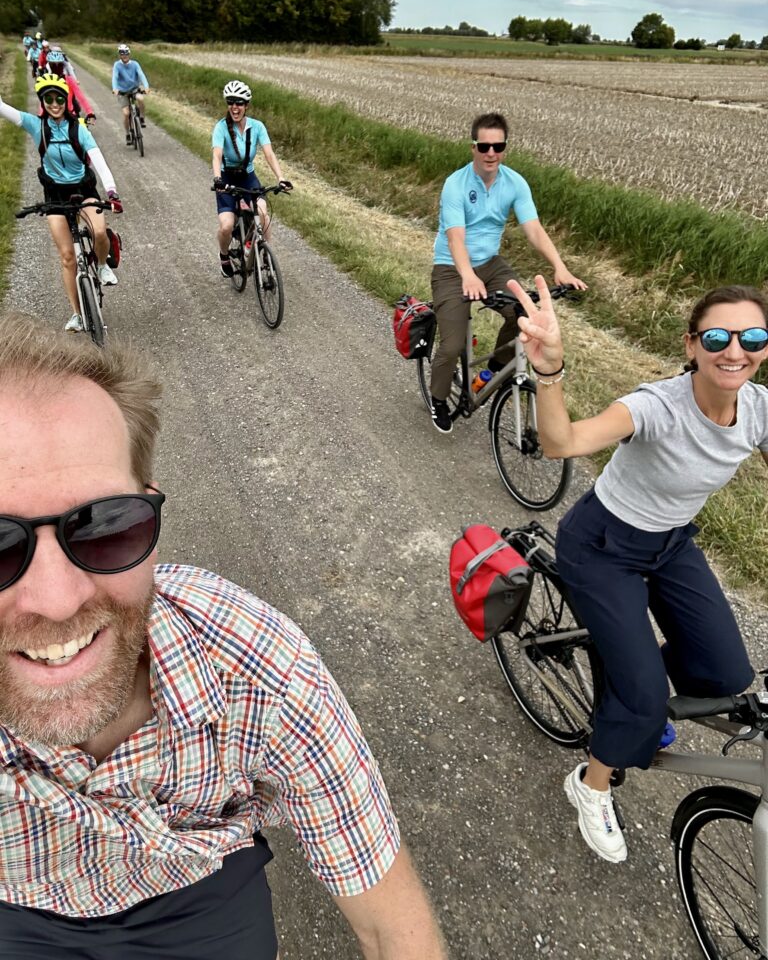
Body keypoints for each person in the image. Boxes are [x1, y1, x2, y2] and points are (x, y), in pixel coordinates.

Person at [0, 313, 447, 960]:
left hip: (196, 892)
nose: (57, 598)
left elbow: (391, 926)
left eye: (105, 527)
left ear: (151, 518)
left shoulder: (258, 668)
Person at [509, 276, 767, 863]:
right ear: (691, 346)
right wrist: (550, 370)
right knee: (644, 697)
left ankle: (631, 689)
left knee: (725, 674)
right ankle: (592, 783)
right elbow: (562, 442)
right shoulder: (656, 406)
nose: (735, 350)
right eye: (717, 336)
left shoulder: (758, 409)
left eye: (752, 335)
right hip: (602, 543)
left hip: (672, 543)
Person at [429, 111, 587, 434]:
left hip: (490, 264)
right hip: (451, 266)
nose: (491, 153)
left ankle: (494, 371)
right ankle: (438, 398)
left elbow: (534, 230)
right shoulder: (455, 185)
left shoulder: (515, 183)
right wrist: (467, 275)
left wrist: (560, 267)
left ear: (504, 148)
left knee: (524, 315)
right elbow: (455, 237)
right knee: (452, 344)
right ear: (472, 147)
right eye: (484, 146)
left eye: (497, 147)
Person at [0, 73, 123, 332]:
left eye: (59, 98)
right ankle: (78, 314)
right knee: (68, 257)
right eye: (48, 99)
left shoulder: (79, 128)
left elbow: (98, 160)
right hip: (54, 196)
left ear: (66, 100)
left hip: (83, 190)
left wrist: (111, 192)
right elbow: (5, 110)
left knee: (99, 231)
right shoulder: (37, 126)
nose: (54, 104)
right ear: (43, 102)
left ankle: (101, 266)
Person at [212, 79, 292, 279]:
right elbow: (216, 155)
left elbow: (269, 154)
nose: (234, 107)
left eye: (239, 103)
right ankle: (224, 257)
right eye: (230, 102)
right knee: (227, 226)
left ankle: (264, 254)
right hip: (227, 178)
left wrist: (281, 177)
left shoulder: (257, 127)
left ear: (246, 105)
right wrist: (217, 178)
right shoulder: (221, 127)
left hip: (248, 178)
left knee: (263, 216)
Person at [44, 46, 96, 124]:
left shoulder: (69, 79)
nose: (57, 68)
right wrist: (40, 116)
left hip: (69, 115)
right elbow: (43, 101)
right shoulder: (47, 81)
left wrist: (90, 113)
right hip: (52, 118)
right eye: (53, 66)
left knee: (81, 133)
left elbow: (81, 97)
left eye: (59, 65)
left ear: (62, 65)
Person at [112, 44, 149, 145]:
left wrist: (146, 86)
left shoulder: (135, 64)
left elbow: (141, 75)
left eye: (126, 53)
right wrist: (115, 89)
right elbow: (114, 77)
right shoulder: (117, 65)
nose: (124, 55)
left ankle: (141, 118)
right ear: (119, 55)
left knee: (140, 99)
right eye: (122, 53)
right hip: (122, 92)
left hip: (134, 89)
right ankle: (128, 133)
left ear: (129, 54)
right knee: (126, 114)